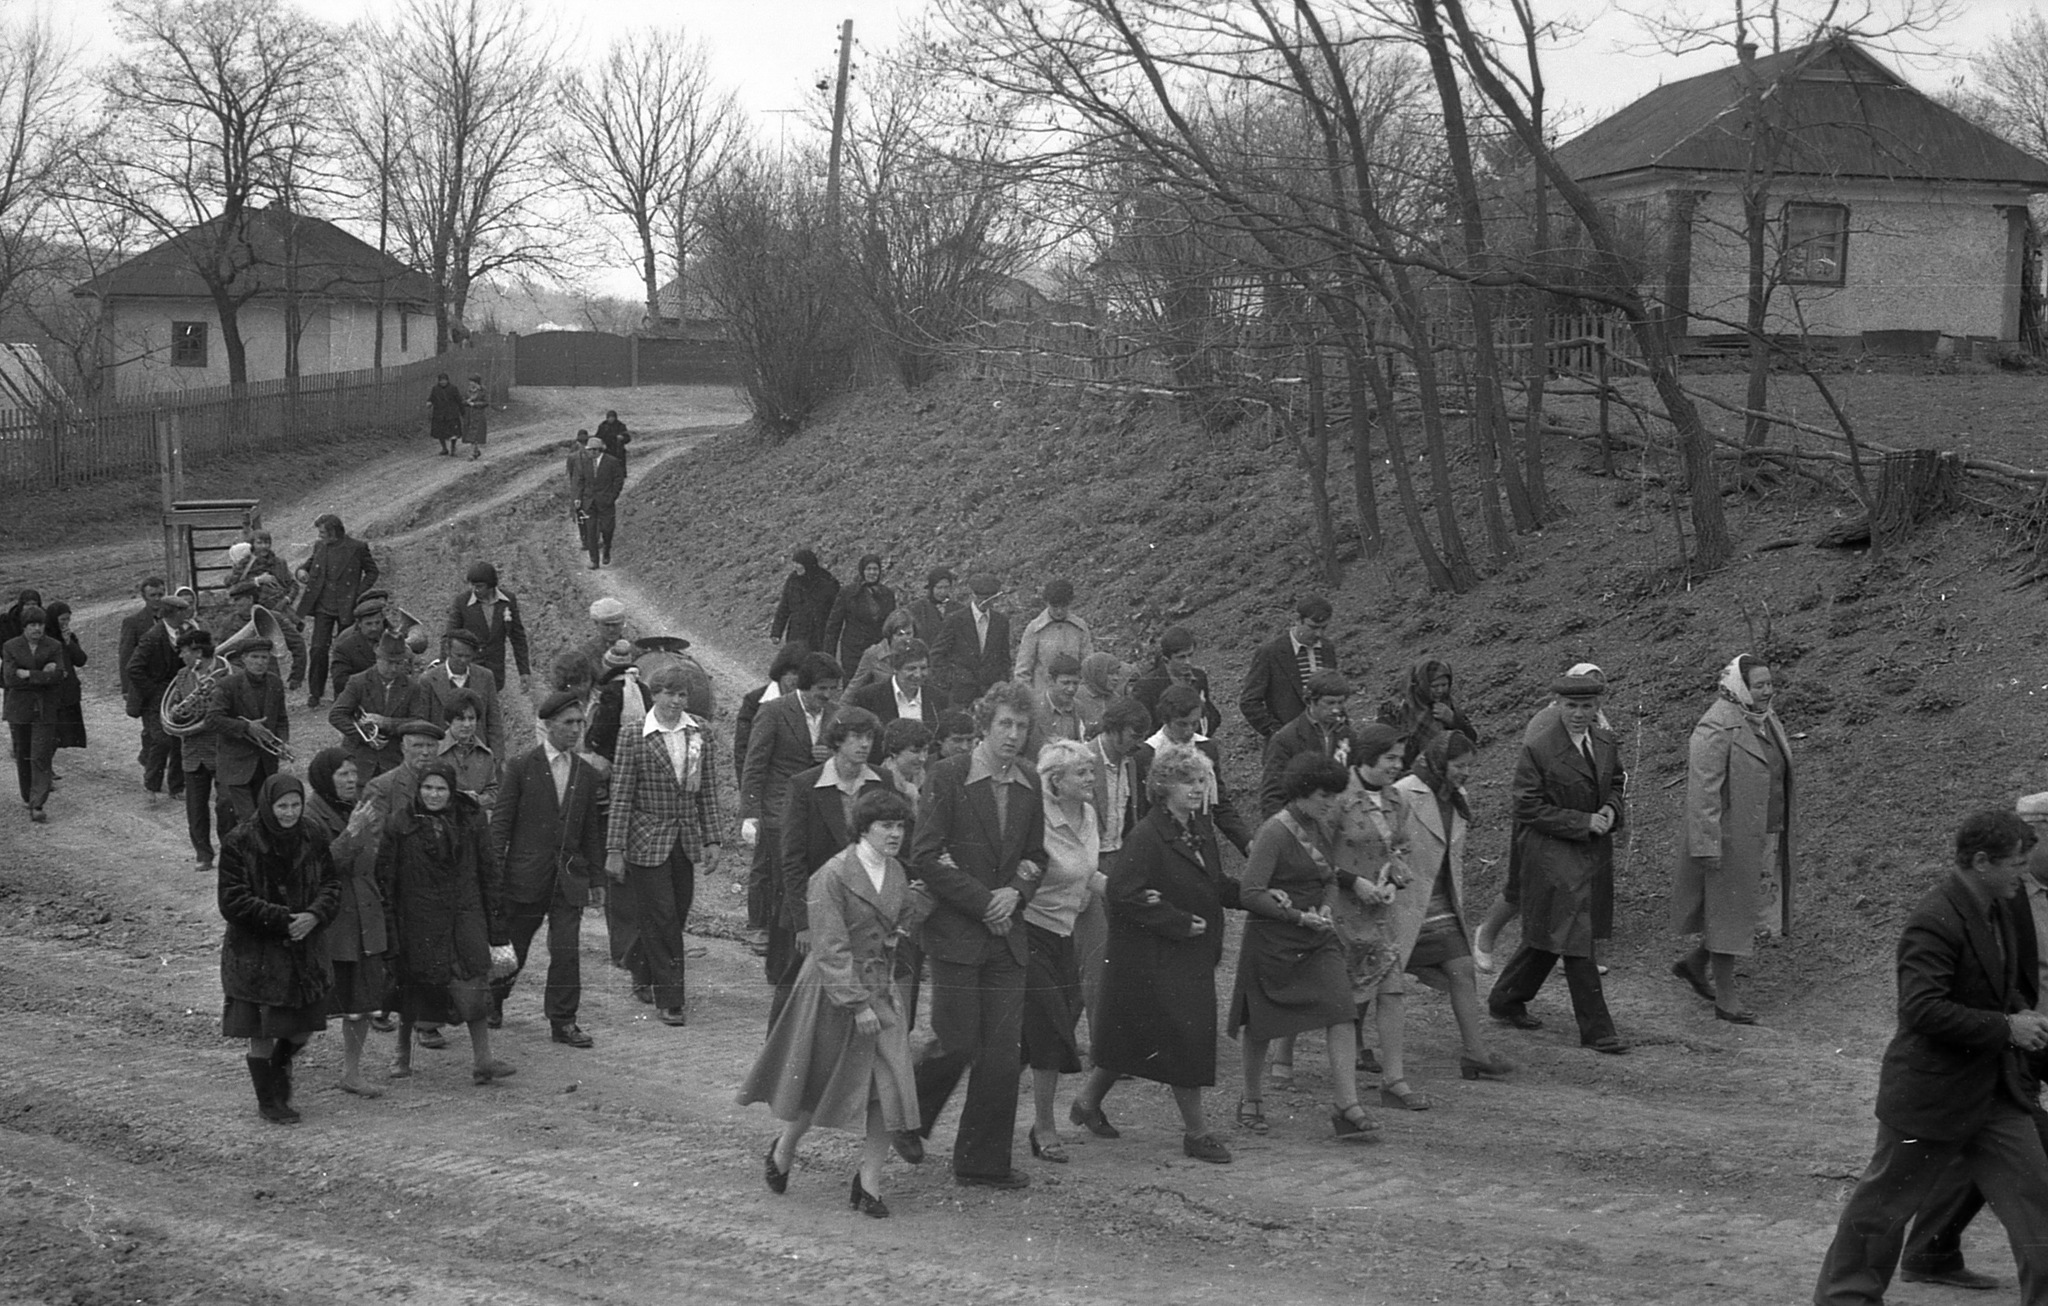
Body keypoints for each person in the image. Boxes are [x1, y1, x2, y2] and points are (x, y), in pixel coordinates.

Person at [1813, 809, 2048, 1306]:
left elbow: (2003, 982)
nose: (2023, 874)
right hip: (1931, 1093)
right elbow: (1922, 1009)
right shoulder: (1934, 918)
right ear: (1981, 861)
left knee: (2037, 1199)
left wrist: (2019, 1014)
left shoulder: (1998, 905)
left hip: (1994, 1090)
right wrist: (2008, 1027)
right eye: (2016, 864)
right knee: (1883, 1208)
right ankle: (1845, 1298)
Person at [741, 789, 934, 1218]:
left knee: (890, 1089)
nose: (895, 833)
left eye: (900, 825)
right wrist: (857, 1004)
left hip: (879, 987)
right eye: (886, 825)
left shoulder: (898, 873)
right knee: (820, 1083)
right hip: (834, 990)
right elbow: (829, 946)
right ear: (863, 828)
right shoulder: (831, 874)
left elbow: (897, 923)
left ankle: (868, 1184)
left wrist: (913, 911)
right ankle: (784, 1149)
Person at [1895, 793, 2048, 1292]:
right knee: (2018, 1146)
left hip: (2018, 1035)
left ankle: (1931, 1249)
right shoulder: (1997, 895)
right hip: (2010, 1038)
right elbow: (1927, 1005)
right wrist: (2012, 1026)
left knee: (2004, 1143)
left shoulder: (2001, 889)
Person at [1068, 743, 1242, 1165]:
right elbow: (1123, 893)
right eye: (1188, 781)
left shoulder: (1197, 828)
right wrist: (1177, 921)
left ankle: (1086, 1103)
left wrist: (1258, 896)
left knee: (1134, 1035)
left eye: (1202, 780)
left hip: (1188, 954)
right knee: (1187, 1038)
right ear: (1162, 785)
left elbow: (1215, 882)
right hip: (1154, 957)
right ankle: (1197, 1133)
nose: (1198, 789)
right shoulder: (1146, 835)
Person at [907, 680, 1048, 1189]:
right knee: (957, 1040)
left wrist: (1015, 893)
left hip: (1006, 936)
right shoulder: (948, 775)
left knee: (1001, 1054)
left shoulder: (1031, 782)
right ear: (985, 726)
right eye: (1004, 724)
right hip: (957, 935)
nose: (1013, 735)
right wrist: (982, 900)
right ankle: (906, 1120)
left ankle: (981, 1161)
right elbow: (925, 853)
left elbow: (1037, 856)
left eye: (1022, 726)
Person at [1231, 752, 1382, 1142]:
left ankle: (1347, 1106)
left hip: (1317, 936)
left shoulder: (1317, 826)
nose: (1330, 804)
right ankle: (1251, 1098)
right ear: (1300, 792)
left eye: (1334, 796)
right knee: (1262, 1022)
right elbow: (1250, 892)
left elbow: (1331, 877)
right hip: (1275, 938)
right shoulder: (1274, 832)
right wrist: (1297, 917)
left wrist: (1328, 907)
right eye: (1323, 796)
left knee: (1341, 1011)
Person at [1487, 667, 1630, 1055]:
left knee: (1553, 932)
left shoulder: (1604, 741)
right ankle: (1598, 1029)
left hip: (1591, 851)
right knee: (1576, 935)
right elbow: (1526, 805)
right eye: (1571, 705)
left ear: (1597, 706)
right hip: (1550, 853)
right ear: (1558, 705)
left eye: (1586, 705)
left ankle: (1506, 998)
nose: (1579, 713)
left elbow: (1617, 783)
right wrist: (1583, 821)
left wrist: (1612, 812)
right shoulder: (1539, 747)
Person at [1673, 654, 1796, 1025]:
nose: (1766, 691)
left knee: (1738, 912)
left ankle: (1695, 964)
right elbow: (1703, 792)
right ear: (1740, 686)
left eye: (1770, 684)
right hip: (1728, 839)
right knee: (1728, 915)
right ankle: (1726, 1000)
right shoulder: (1715, 726)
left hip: (1762, 833)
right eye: (1758, 685)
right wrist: (1707, 844)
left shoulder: (1765, 720)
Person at [379, 760, 515, 1084]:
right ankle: (401, 1055)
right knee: (411, 990)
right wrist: (391, 930)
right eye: (427, 788)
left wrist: (496, 929)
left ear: (451, 791)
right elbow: (386, 881)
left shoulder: (471, 820)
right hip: (418, 920)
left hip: (463, 916)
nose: (434, 794)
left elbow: (489, 872)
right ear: (418, 789)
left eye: (441, 788)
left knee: (474, 986)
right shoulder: (399, 824)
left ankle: (483, 1061)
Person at [604, 663, 724, 1027]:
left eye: (682, 694)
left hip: (684, 839)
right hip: (646, 838)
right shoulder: (633, 735)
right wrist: (614, 849)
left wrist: (713, 838)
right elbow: (621, 794)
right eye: (668, 693)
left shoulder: (699, 731)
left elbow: (708, 790)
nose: (675, 701)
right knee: (663, 916)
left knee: (677, 911)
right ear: (653, 695)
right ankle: (670, 998)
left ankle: (640, 968)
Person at [1472, 662, 1611, 972]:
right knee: (1522, 887)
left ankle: (1569, 952)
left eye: (1591, 693)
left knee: (1573, 888)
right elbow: (1534, 778)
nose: (1581, 705)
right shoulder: (1546, 721)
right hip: (1542, 820)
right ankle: (1486, 935)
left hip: (1577, 821)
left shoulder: (1597, 725)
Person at [1392, 732, 1514, 1083]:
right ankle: (1356, 1046)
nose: (1465, 773)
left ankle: (1475, 1053)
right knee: (1377, 978)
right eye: (1459, 766)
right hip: (1405, 898)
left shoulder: (1458, 797)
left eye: (1468, 767)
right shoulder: (1404, 793)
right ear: (1439, 762)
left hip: (1439, 900)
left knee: (1462, 967)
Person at [489, 690, 607, 1049]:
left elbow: (590, 831)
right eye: (568, 723)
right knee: (515, 948)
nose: (575, 730)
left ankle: (563, 1021)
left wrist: (597, 879)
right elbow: (501, 825)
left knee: (567, 949)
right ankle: (493, 1001)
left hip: (568, 877)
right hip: (525, 877)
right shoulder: (522, 767)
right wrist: (494, 874)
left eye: (580, 723)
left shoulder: (585, 774)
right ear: (549, 725)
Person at [219, 773, 340, 1123]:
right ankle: (269, 1098)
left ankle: (280, 1068)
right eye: (282, 806)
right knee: (261, 1030)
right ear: (267, 806)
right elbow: (232, 900)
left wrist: (315, 915)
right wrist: (284, 918)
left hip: (305, 950)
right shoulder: (240, 842)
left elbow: (331, 884)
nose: (289, 813)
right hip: (257, 954)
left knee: (301, 1027)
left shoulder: (313, 834)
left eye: (295, 805)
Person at [771, 706, 889, 1025]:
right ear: (837, 741)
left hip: (862, 910)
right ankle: (780, 1064)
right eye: (855, 737)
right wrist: (803, 922)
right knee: (795, 990)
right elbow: (792, 859)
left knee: (858, 990)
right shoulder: (806, 786)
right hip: (815, 905)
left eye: (868, 737)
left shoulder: (882, 781)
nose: (864, 744)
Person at [330, 721, 444, 1046]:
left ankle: (419, 1016)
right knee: (401, 950)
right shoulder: (383, 787)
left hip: (432, 885)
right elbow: (375, 842)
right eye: (417, 746)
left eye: (430, 746)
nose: (424, 752)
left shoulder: (441, 783)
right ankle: (406, 1014)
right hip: (395, 882)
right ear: (403, 748)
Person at [744, 654, 844, 1011]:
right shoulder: (774, 711)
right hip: (778, 810)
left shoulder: (836, 714)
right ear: (804, 687)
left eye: (833, 690)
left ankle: (800, 962)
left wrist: (828, 755)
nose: (827, 696)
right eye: (821, 690)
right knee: (784, 884)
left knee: (810, 883)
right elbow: (755, 763)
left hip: (818, 810)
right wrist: (750, 813)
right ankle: (781, 964)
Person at [1021, 739, 1106, 1164]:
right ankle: (1044, 1127)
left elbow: (1087, 874)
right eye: (1082, 774)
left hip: (1064, 934)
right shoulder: (1035, 817)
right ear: (1056, 780)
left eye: (1092, 772)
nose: (1091, 779)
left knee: (1024, 1040)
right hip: (1027, 931)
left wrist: (1129, 896)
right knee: (1050, 1031)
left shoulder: (1089, 815)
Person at [300, 747, 384, 1097]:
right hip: (331, 922)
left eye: (354, 773)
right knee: (309, 1004)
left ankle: (351, 1072)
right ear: (325, 778)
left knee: (359, 1003)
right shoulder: (309, 816)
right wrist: (352, 832)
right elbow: (319, 867)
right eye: (343, 775)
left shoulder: (360, 809)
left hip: (364, 916)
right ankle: (279, 1065)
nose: (352, 780)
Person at [1082, 698, 1152, 1032]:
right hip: (1087, 864)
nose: (1139, 743)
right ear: (1113, 729)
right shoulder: (1083, 758)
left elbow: (1130, 817)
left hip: (1119, 860)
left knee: (1118, 952)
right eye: (1133, 734)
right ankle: (1102, 1041)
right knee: (1096, 956)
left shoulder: (1132, 763)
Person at [1135, 684, 1256, 856]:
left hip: (1203, 839)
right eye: (1182, 724)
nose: (1189, 731)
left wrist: (1245, 841)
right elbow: (1143, 811)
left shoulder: (1206, 748)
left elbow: (1219, 803)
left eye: (1194, 723)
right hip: (1165, 846)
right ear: (1166, 720)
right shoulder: (1148, 754)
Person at [875, 717, 933, 1026]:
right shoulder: (880, 784)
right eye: (915, 751)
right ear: (895, 751)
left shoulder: (920, 782)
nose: (922, 758)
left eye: (925, 751)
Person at [206, 630, 290, 830]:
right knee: (242, 819)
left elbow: (281, 719)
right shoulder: (228, 684)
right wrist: (246, 727)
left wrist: (283, 743)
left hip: (266, 763)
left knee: (264, 818)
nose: (260, 662)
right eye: (254, 657)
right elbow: (212, 719)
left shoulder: (275, 682)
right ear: (243, 659)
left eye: (264, 657)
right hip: (235, 764)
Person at [297, 514, 379, 708]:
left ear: (334, 531)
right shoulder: (320, 546)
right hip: (323, 607)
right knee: (317, 649)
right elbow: (307, 566)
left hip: (347, 608)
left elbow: (372, 572)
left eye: (323, 532)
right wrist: (300, 571)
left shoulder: (357, 547)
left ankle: (343, 694)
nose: (320, 535)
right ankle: (315, 693)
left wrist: (357, 593)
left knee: (345, 651)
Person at [171, 628, 231, 871]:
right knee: (196, 808)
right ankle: (203, 854)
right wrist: (176, 711)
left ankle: (229, 852)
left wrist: (208, 707)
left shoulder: (226, 674)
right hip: (193, 750)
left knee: (226, 805)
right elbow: (175, 705)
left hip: (220, 747)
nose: (181, 657)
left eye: (184, 651)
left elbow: (229, 709)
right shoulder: (183, 676)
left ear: (197, 652)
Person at [125, 590, 194, 800]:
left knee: (177, 741)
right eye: (183, 610)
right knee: (162, 741)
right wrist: (154, 692)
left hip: (174, 695)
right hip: (154, 699)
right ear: (173, 613)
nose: (187, 613)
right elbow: (133, 668)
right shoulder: (152, 637)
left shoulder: (182, 632)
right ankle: (151, 786)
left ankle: (176, 787)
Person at [1239, 597, 1340, 739]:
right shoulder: (1271, 652)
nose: (1319, 634)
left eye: (1324, 628)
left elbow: (1335, 692)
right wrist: (1278, 733)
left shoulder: (1327, 649)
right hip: (1289, 746)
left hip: (1326, 738)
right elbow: (1249, 701)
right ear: (1297, 620)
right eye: (1313, 627)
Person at [1260, 669, 1353, 819]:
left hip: (1339, 821)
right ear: (1311, 701)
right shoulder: (1286, 738)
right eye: (1329, 703)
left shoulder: (1347, 734)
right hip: (1302, 821)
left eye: (1340, 703)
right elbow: (1272, 796)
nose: (1336, 709)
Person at [4, 603, 67, 824]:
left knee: (40, 753)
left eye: (40, 624)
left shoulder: (54, 646)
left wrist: (27, 674)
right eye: (32, 625)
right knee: (23, 753)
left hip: (45, 708)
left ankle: (37, 802)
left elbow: (58, 675)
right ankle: (27, 794)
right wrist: (41, 674)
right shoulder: (11, 646)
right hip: (19, 707)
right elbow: (10, 678)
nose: (36, 629)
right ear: (24, 627)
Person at [225, 531, 306, 691]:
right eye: (260, 543)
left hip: (275, 613)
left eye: (267, 542)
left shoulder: (279, 563)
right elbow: (232, 587)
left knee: (279, 651)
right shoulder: (245, 564)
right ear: (252, 545)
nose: (264, 546)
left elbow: (293, 585)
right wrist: (256, 581)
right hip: (250, 616)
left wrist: (286, 600)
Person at [1377, 658, 1479, 770]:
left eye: (1444, 685)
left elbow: (1470, 740)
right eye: (1434, 686)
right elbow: (1383, 747)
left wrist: (1453, 720)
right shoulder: (1396, 708)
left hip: (1445, 774)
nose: (1440, 690)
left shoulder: (1449, 704)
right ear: (1422, 683)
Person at [444, 562, 529, 695]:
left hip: (495, 672)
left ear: (491, 585)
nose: (475, 590)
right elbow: (449, 636)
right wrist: (445, 671)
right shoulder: (462, 602)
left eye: (479, 586)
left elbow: (518, 637)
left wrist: (524, 671)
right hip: (468, 671)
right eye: (472, 585)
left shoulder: (507, 601)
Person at [420, 629, 505, 758]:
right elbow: (424, 722)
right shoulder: (429, 679)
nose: (463, 660)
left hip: (477, 752)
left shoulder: (485, 676)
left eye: (468, 656)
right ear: (447, 651)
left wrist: (498, 754)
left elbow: (493, 719)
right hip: (442, 752)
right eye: (458, 655)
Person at [734, 641, 807, 790]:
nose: (796, 680)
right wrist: (747, 791)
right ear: (780, 672)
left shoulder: (808, 703)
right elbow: (742, 751)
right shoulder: (755, 701)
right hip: (765, 785)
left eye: (801, 674)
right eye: (792, 673)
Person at [932, 573, 1011, 708]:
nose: (986, 603)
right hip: (961, 694)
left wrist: (1001, 684)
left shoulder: (1001, 622)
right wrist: (952, 680)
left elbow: (1004, 658)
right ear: (974, 596)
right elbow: (937, 654)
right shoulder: (955, 620)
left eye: (990, 599)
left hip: (991, 694)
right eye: (983, 598)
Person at [1130, 626, 1222, 736]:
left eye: (1190, 655)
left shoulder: (1199, 677)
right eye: (1181, 657)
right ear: (1166, 659)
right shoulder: (1147, 687)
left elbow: (1211, 714)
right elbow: (1143, 728)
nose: (1187, 662)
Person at [118, 577, 167, 768]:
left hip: (168, 683)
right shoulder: (133, 622)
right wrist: (126, 688)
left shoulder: (172, 618)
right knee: (151, 728)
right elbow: (126, 656)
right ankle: (148, 760)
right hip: (145, 684)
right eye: (153, 595)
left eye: (160, 594)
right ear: (144, 597)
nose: (157, 599)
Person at [1012, 579, 1092, 694]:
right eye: (1054, 607)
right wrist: (1030, 700)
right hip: (1043, 698)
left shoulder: (1080, 627)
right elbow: (1022, 671)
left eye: (1063, 606)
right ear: (1047, 603)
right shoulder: (1035, 628)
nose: (1059, 611)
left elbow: (1088, 665)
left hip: (1073, 695)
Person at [823, 553, 896, 672]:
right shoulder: (848, 593)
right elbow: (834, 625)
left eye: (875, 569)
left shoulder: (887, 594)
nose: (872, 573)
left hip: (878, 651)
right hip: (853, 651)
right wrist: (829, 656)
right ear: (862, 570)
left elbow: (892, 624)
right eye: (869, 569)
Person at [848, 639, 939, 732]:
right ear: (895, 668)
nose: (918, 675)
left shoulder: (937, 698)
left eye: (923, 668)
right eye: (911, 668)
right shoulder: (868, 697)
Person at [567, 431, 626, 569]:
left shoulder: (612, 462)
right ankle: (594, 560)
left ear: (599, 450)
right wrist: (578, 498)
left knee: (607, 529)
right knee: (591, 531)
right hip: (589, 502)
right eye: (589, 450)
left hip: (606, 502)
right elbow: (581, 480)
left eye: (594, 450)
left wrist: (612, 496)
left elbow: (619, 480)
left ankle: (606, 550)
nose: (591, 453)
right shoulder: (586, 463)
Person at [438, 693, 499, 813]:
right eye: (460, 719)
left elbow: (493, 791)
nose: (467, 725)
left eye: (471, 719)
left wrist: (478, 800)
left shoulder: (486, 755)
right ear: (448, 722)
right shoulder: (435, 750)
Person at [770, 547, 839, 653]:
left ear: (808, 564)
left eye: (798, 563)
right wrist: (776, 632)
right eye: (794, 563)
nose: (795, 566)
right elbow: (784, 607)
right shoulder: (793, 580)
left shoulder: (827, 582)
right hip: (796, 634)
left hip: (819, 636)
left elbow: (836, 611)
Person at [41, 602, 87, 755]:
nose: (66, 623)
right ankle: (44, 768)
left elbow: (80, 660)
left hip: (68, 692)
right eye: (62, 619)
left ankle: (47, 765)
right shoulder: (43, 638)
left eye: (68, 619)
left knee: (63, 733)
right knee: (50, 733)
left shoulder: (68, 636)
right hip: (51, 691)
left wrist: (69, 643)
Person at [325, 598, 390, 704]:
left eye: (377, 623)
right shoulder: (344, 647)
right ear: (359, 624)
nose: (374, 628)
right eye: (368, 624)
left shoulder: (390, 640)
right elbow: (339, 682)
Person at [1023, 653, 1086, 761]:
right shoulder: (1031, 709)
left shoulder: (1080, 709)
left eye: (1075, 683)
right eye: (1065, 683)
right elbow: (1018, 756)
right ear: (1050, 680)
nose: (1071, 689)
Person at [846, 610, 915, 696]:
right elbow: (854, 688)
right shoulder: (873, 654)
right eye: (900, 635)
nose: (905, 639)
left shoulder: (917, 653)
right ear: (891, 635)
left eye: (909, 634)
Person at [1074, 652, 1128, 736]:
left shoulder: (1116, 699)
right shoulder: (1076, 696)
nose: (1116, 678)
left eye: (1117, 673)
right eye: (1111, 673)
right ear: (1097, 673)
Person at [905, 566, 958, 648]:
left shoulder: (958, 608)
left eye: (946, 587)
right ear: (931, 587)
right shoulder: (916, 608)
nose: (942, 592)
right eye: (939, 587)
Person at [427, 371, 465, 456]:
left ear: (447, 380)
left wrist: (463, 412)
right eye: (441, 380)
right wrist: (429, 402)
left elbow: (459, 400)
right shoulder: (435, 389)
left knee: (453, 433)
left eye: (444, 380)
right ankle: (444, 448)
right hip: (439, 414)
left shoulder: (453, 388)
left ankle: (453, 448)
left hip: (451, 414)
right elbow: (431, 398)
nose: (443, 382)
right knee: (440, 432)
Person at [462, 373, 489, 459]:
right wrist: (467, 402)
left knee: (476, 434)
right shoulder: (468, 391)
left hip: (478, 414)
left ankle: (472, 453)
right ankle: (475, 451)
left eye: (472, 381)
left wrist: (475, 404)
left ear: (476, 382)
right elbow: (463, 400)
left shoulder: (482, 391)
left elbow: (486, 402)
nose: (470, 383)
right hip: (469, 414)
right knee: (470, 434)